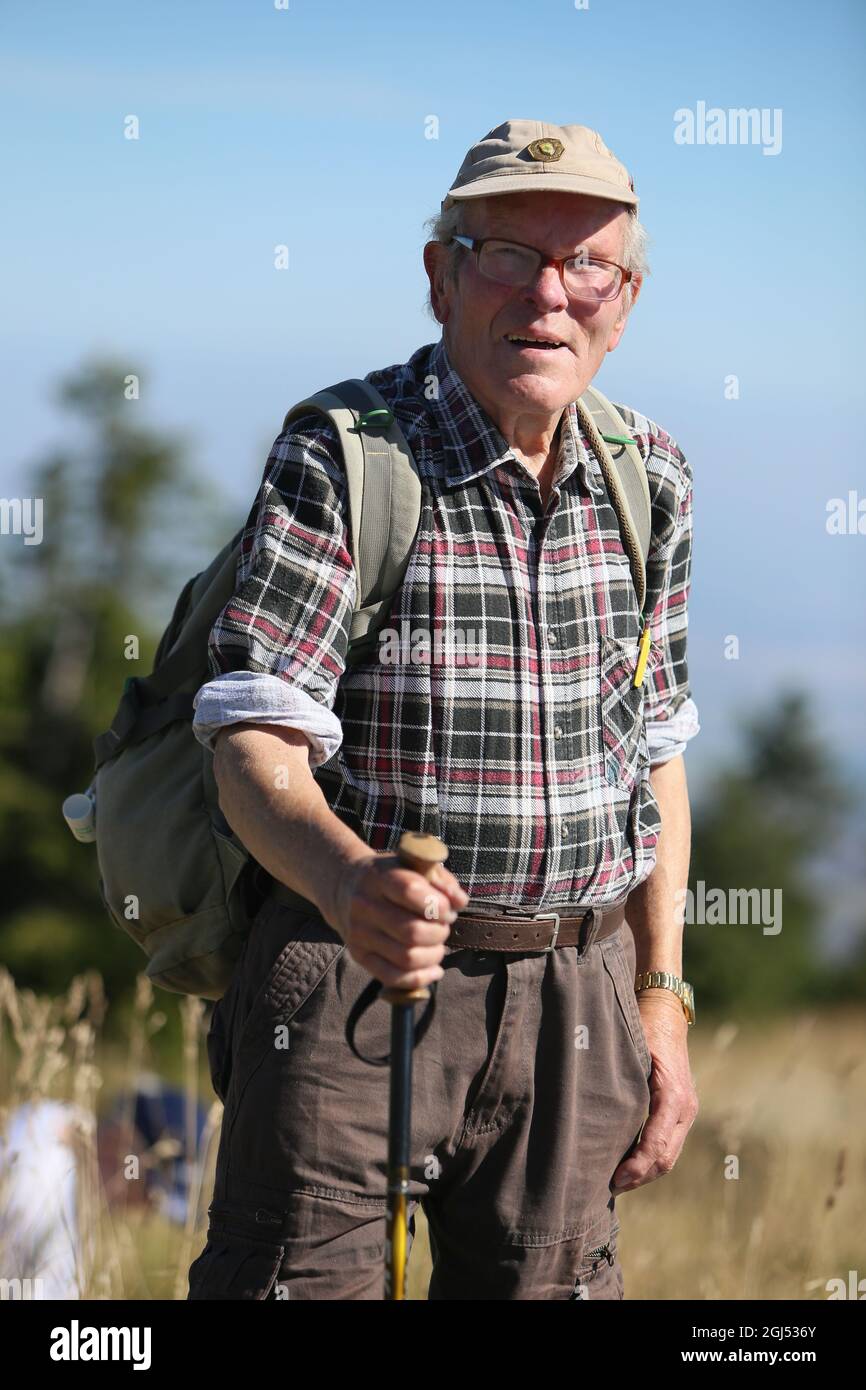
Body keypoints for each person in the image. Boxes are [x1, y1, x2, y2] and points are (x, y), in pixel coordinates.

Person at [186, 118, 700, 1301]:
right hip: (347, 978)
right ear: (440, 275)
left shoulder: (652, 476)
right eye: (508, 255)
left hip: (580, 991)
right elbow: (251, 732)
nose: (549, 296)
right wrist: (346, 880)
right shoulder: (347, 452)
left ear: (624, 300)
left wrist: (660, 1004)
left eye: (587, 267)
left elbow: (655, 755)